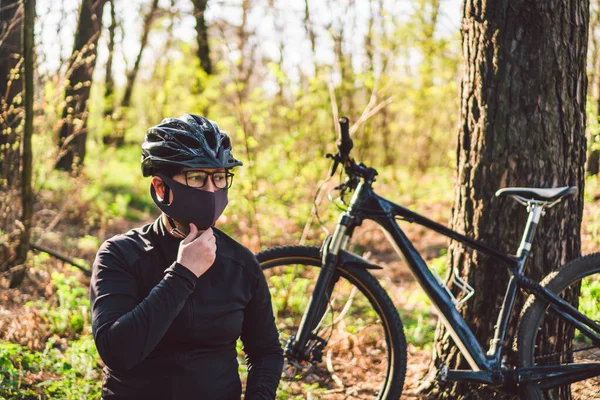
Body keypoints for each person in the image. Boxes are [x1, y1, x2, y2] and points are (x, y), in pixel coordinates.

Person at [90, 114, 284, 400]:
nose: (212, 190)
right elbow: (117, 351)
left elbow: (266, 352)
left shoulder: (240, 263)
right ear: (160, 188)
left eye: (219, 177)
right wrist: (183, 273)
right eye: (196, 178)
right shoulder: (120, 254)